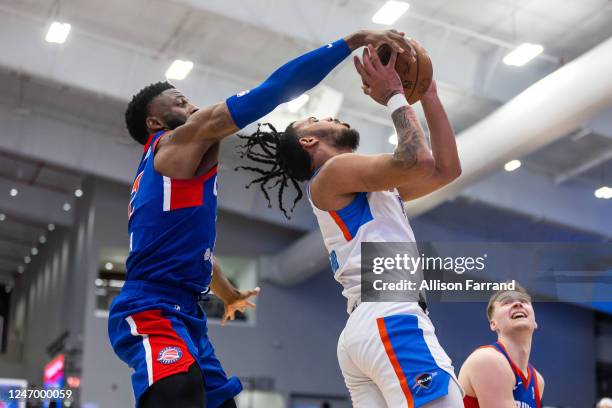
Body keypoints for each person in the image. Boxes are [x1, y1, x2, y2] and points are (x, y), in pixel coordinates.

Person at [107, 29, 408, 408]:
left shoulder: (170, 171)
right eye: (181, 102)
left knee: (221, 402)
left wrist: (228, 292)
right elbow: (275, 88)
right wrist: (350, 42)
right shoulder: (176, 143)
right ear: (156, 123)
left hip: (186, 311)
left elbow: (188, 249)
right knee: (179, 389)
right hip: (150, 307)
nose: (194, 107)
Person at [237, 42, 463, 407]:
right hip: (390, 316)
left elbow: (446, 170)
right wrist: (393, 96)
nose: (332, 117)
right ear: (309, 141)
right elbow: (417, 160)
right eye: (314, 120)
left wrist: (429, 94)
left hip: (368, 327)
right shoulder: (333, 171)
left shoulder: (365, 186)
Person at [459, 285, 545, 408]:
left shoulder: (538, 381)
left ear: (535, 322)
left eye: (523, 301)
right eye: (506, 303)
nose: (517, 304)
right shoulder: (487, 359)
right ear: (494, 324)